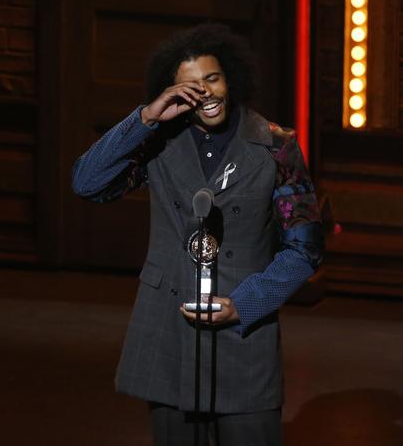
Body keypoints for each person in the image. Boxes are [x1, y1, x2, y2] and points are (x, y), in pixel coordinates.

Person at [71, 24, 322, 445]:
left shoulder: (274, 145)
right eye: (190, 86)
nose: (205, 92)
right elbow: (88, 183)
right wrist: (146, 118)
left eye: (212, 78)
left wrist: (245, 304)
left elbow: (306, 248)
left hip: (243, 331)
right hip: (170, 330)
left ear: (231, 79)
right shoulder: (157, 142)